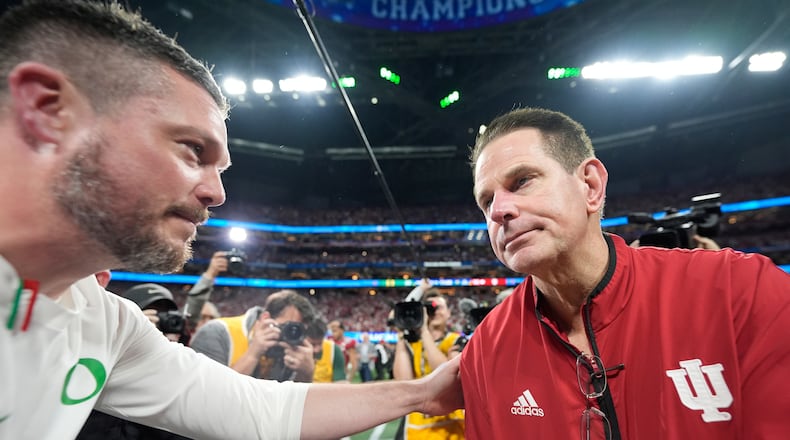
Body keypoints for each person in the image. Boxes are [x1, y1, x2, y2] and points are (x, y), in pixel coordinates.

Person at [0, 2, 462, 439]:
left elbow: (257, 409)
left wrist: (421, 393)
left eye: (219, 169)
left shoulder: (103, 323)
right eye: (192, 150)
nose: (216, 193)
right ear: (48, 111)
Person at [461, 107, 790, 439]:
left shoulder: (742, 290)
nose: (499, 210)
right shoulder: (484, 351)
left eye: (521, 182)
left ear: (590, 185)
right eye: (486, 201)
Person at [190, 289, 317, 382]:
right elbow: (211, 393)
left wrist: (306, 373)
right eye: (287, 327)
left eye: (297, 331)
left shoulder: (292, 347)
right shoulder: (217, 333)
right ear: (265, 318)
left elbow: (291, 403)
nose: (289, 335)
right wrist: (253, 354)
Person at [393, 287, 466, 439]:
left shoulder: (457, 340)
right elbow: (403, 381)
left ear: (449, 313)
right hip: (416, 428)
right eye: (429, 309)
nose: (435, 311)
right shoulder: (411, 344)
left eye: (439, 307)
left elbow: (446, 377)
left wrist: (424, 331)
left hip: (451, 429)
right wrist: (401, 334)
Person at [182, 250, 228, 337]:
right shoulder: (184, 342)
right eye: (202, 317)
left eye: (211, 318)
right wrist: (210, 274)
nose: (207, 322)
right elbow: (194, 303)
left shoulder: (225, 343)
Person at [305, 317, 348, 383]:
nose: (316, 350)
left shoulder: (333, 350)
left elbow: (340, 383)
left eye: (320, 343)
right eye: (312, 344)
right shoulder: (293, 351)